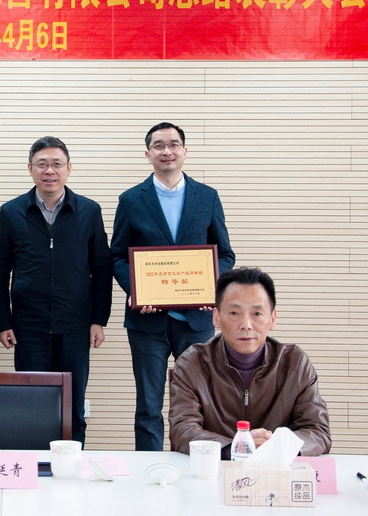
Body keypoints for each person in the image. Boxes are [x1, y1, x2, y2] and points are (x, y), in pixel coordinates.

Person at [110, 122, 235, 451]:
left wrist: (211, 287)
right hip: (147, 322)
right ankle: (148, 467)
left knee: (200, 402)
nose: (167, 151)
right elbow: (117, 256)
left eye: (174, 144)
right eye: (159, 145)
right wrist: (136, 290)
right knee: (148, 406)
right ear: (147, 154)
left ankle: (198, 463)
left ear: (185, 151)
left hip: (196, 320)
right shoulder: (131, 199)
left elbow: (225, 254)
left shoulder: (207, 197)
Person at [0, 136, 112, 445]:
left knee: (73, 407)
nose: (49, 171)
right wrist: (3, 322)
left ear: (69, 168)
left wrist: (98, 320)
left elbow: (101, 269)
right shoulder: (12, 211)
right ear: (30, 169)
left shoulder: (89, 211)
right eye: (41, 164)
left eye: (57, 164)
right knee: (31, 405)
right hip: (28, 327)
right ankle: (34, 465)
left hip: (76, 327)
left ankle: (72, 464)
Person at [169, 267, 332, 457]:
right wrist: (237, 447)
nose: (246, 324)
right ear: (216, 318)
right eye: (234, 313)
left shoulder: (295, 363)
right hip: (215, 467)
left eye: (257, 313)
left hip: (275, 468)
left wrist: (277, 447)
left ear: (272, 319)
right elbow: (183, 430)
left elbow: (317, 432)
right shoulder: (192, 363)